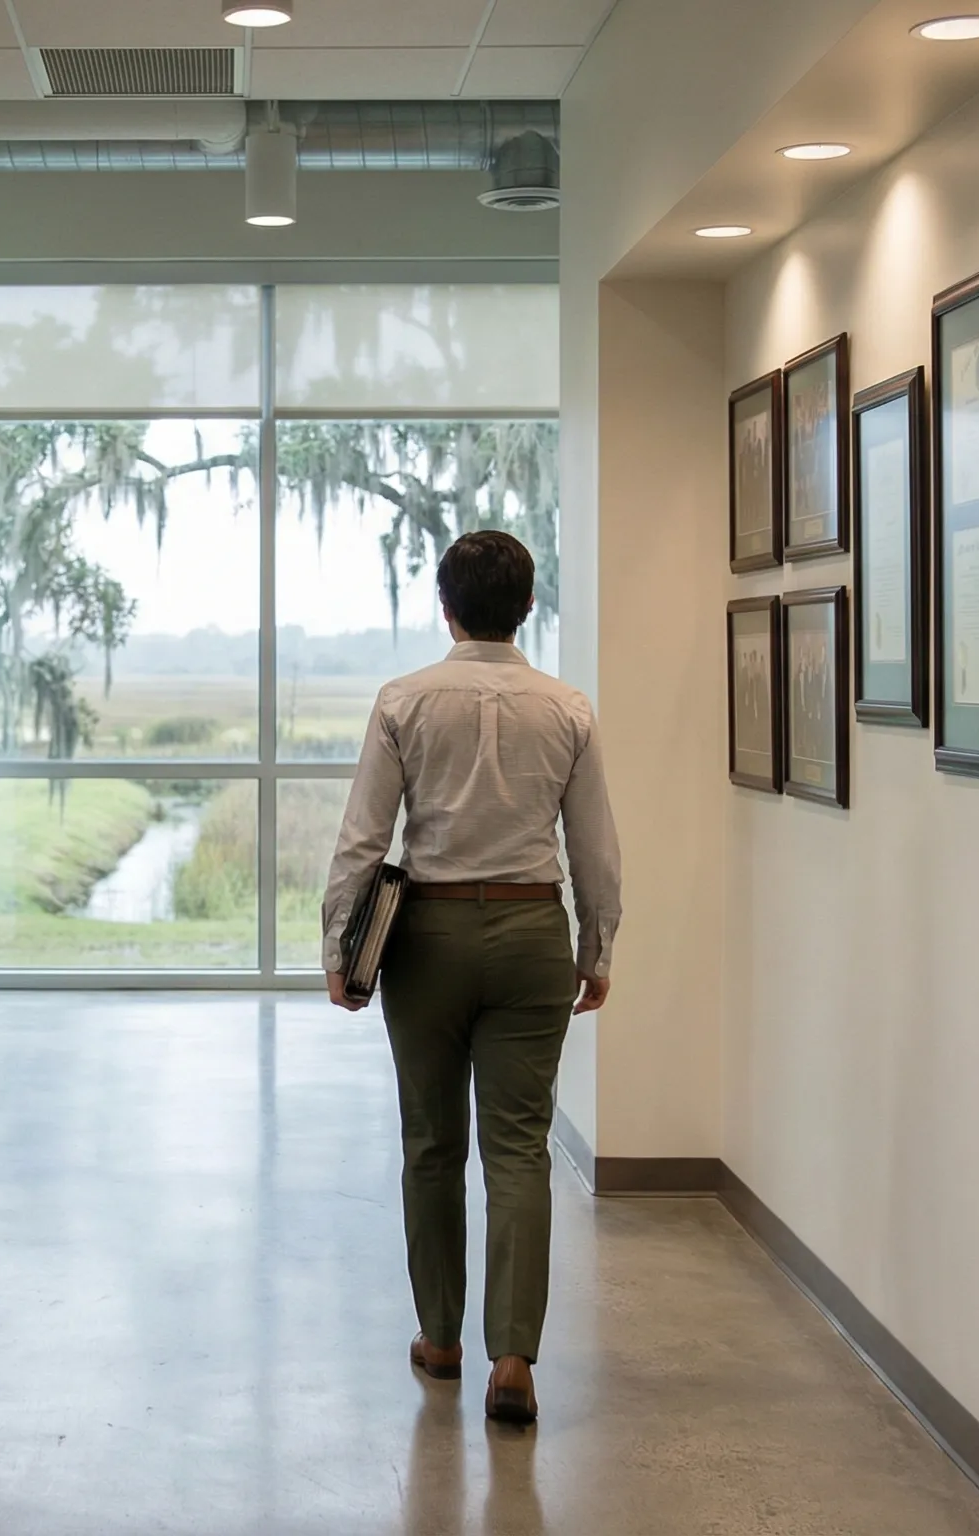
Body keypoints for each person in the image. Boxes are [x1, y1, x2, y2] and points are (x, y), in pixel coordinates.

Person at [323, 530, 621, 1430]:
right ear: (527, 608)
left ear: (445, 609)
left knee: (431, 1141)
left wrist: (341, 949)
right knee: (520, 1149)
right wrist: (598, 947)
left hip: (430, 940)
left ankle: (442, 1338)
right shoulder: (567, 708)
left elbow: (363, 840)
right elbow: (595, 847)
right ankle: (515, 1361)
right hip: (534, 930)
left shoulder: (403, 701)